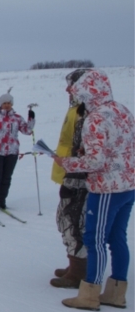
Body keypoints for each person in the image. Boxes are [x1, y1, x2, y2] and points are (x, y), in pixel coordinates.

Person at [54, 69, 135, 311]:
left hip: (107, 187)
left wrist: (67, 162)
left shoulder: (96, 117)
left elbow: (96, 162)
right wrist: (87, 154)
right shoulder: (121, 109)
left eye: (77, 90)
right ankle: (116, 293)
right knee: (117, 237)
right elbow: (117, 147)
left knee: (94, 239)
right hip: (128, 185)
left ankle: (90, 293)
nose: (73, 93)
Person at [49, 69, 89, 288]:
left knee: (74, 221)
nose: (67, 89)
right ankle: (74, 263)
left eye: (71, 85)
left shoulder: (86, 111)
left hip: (79, 175)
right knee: (65, 218)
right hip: (68, 171)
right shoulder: (75, 108)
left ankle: (79, 270)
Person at [0, 90, 35, 211]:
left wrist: (31, 119)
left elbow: (27, 131)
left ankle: (1, 200)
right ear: (0, 104)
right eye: (4, 103)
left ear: (12, 104)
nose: (7, 105)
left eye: (9, 103)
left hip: (12, 152)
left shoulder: (17, 118)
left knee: (7, 178)